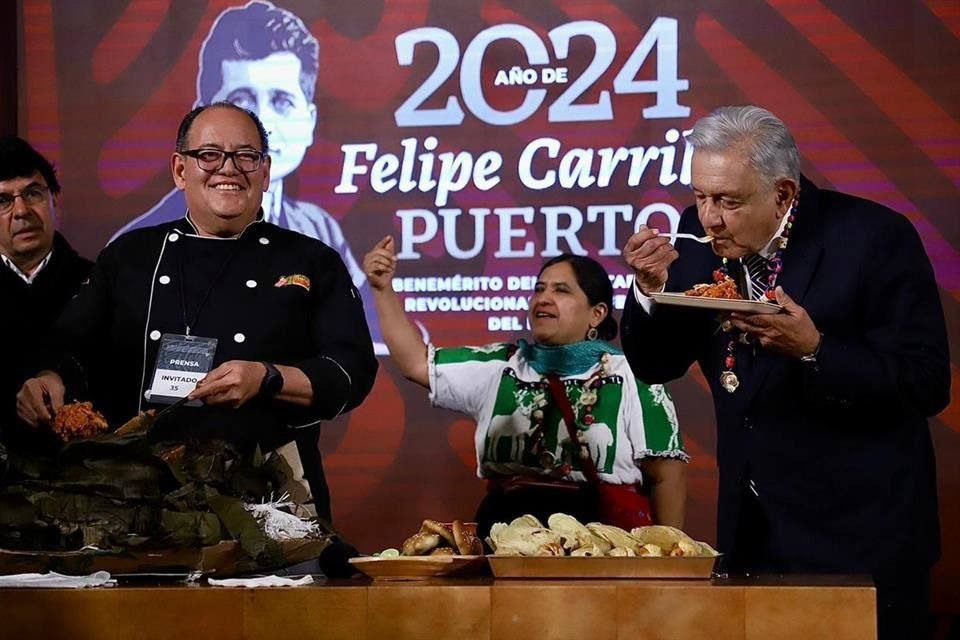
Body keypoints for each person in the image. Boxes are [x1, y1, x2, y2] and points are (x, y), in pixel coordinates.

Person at [620, 105, 949, 640]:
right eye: (700, 196)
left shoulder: (874, 237)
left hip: (861, 542)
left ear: (783, 194)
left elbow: (927, 382)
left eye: (728, 201)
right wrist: (649, 292)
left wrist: (816, 349)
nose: (709, 219)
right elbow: (657, 364)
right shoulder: (694, 237)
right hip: (750, 538)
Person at [17, 103, 378, 521]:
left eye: (246, 156)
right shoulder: (130, 256)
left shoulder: (311, 260)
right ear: (179, 169)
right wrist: (49, 378)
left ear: (265, 171)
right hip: (140, 499)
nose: (228, 168)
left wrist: (267, 377)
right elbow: (71, 342)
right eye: (209, 154)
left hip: (274, 498)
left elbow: (351, 369)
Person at [364, 237, 687, 539]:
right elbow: (416, 364)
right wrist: (382, 289)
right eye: (539, 288)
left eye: (561, 290)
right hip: (506, 535)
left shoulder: (633, 373)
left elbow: (666, 476)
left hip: (599, 540)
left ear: (597, 313)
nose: (543, 298)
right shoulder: (502, 365)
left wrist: (672, 559)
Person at [110, 1, 385, 352]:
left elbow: (361, 353)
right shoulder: (132, 254)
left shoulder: (320, 233)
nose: (263, 123)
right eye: (242, 101)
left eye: (283, 101)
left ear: (310, 121)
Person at [0, 136, 93, 463]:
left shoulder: (98, 282)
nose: (22, 211)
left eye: (33, 193)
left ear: (55, 200)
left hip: (89, 470)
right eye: (3, 201)